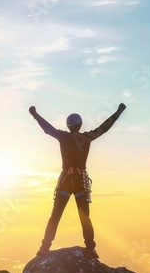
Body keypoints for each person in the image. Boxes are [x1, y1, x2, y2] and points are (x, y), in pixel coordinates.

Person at [29, 103, 126, 259]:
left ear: (68, 126)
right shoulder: (85, 138)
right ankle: (90, 248)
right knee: (84, 217)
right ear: (80, 125)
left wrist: (35, 114)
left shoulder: (63, 136)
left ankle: (45, 248)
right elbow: (104, 127)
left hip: (66, 181)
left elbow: (48, 129)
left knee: (55, 216)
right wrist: (118, 111)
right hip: (80, 181)